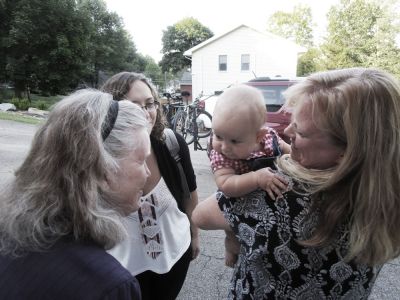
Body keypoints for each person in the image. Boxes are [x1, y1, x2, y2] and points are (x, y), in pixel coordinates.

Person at [192, 68, 400, 299]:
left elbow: (202, 216)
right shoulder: (387, 198)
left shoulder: (280, 191)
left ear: (347, 152)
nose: (287, 130)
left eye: (300, 131)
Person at [0, 89, 150, 299]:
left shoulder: (10, 229)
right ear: (103, 171)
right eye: (142, 161)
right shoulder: (108, 287)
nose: (148, 173)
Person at [101, 72, 200, 300]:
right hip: (123, 269)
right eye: (134, 106)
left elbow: (190, 195)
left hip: (175, 256)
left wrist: (195, 234)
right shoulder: (99, 154)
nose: (146, 114)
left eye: (150, 104)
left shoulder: (171, 143)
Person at [208, 84, 291, 267]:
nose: (224, 146)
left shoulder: (269, 137)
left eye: (234, 141)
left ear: (258, 136)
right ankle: (231, 252)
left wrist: (295, 158)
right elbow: (226, 184)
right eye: (218, 136)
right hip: (235, 200)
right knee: (232, 233)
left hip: (264, 207)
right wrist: (256, 178)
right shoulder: (221, 155)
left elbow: (286, 151)